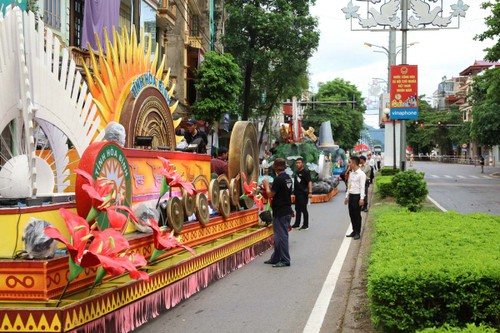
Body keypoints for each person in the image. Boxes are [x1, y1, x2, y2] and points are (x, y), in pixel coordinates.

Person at [262, 158, 293, 267]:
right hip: (286, 209)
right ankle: (275, 258)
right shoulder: (288, 178)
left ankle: (285, 260)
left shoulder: (279, 179)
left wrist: (266, 185)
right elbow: (280, 191)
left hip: (281, 211)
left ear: (276, 169)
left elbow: (270, 194)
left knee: (281, 236)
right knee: (279, 236)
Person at [344, 156, 366, 240]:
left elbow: (362, 187)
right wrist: (347, 196)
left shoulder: (361, 174)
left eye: (350, 162)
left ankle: (357, 232)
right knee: (351, 214)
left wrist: (362, 198)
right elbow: (349, 185)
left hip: (357, 196)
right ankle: (353, 230)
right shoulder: (351, 173)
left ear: (354, 163)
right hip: (351, 196)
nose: (349, 164)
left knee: (357, 215)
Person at [291, 157, 312, 230]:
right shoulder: (296, 172)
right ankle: (297, 223)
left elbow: (309, 182)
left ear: (302, 163)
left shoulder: (306, 172)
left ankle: (305, 225)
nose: (297, 164)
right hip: (297, 193)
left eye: (299, 163)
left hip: (303, 193)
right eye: (296, 163)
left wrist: (310, 192)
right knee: (297, 209)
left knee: (304, 209)